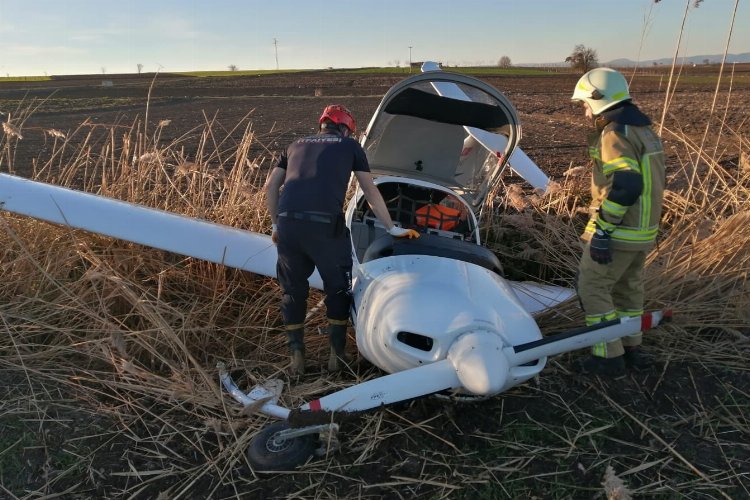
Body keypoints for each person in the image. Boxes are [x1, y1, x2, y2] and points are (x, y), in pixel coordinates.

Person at [265, 104, 419, 375]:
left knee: (293, 292)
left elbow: (270, 186)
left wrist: (276, 224)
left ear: (322, 124)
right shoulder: (350, 147)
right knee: (338, 289)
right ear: (346, 128)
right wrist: (392, 228)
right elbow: (370, 191)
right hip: (325, 226)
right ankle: (336, 358)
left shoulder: (292, 146)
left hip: (289, 224)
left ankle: (296, 359)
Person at [570, 68, 666, 377]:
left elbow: (626, 186)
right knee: (628, 290)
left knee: (592, 286)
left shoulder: (615, 133)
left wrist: (602, 232)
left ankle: (607, 357)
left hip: (620, 231)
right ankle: (631, 348)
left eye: (585, 103)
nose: (585, 110)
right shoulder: (644, 131)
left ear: (598, 100)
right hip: (643, 231)